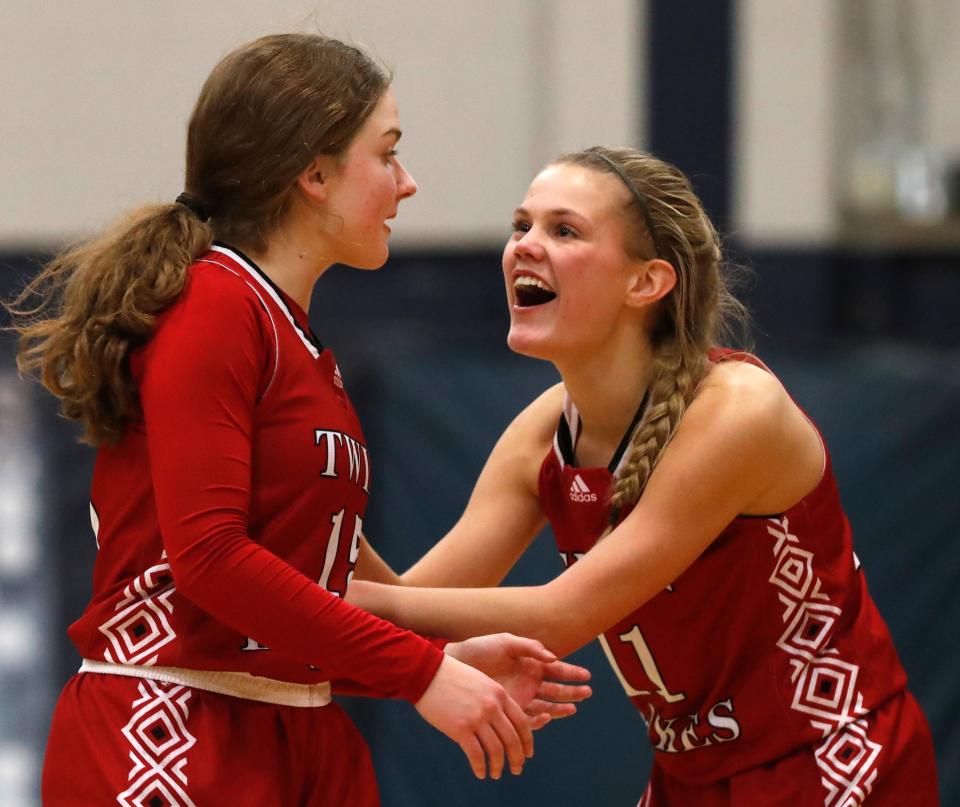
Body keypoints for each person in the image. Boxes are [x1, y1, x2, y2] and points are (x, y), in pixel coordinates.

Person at [9, 33, 591, 806]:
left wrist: (435, 654)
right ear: (313, 173)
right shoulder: (213, 304)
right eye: (387, 153)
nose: (407, 182)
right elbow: (210, 562)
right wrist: (421, 669)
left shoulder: (294, 335)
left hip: (293, 730)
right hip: (173, 727)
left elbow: (284, 612)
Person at [346, 146, 940, 805]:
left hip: (829, 758)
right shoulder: (542, 437)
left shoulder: (738, 412)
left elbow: (560, 614)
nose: (525, 247)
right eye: (521, 226)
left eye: (563, 230)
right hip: (689, 778)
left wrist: (337, 601)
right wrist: (326, 509)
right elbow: (413, 605)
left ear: (647, 281)